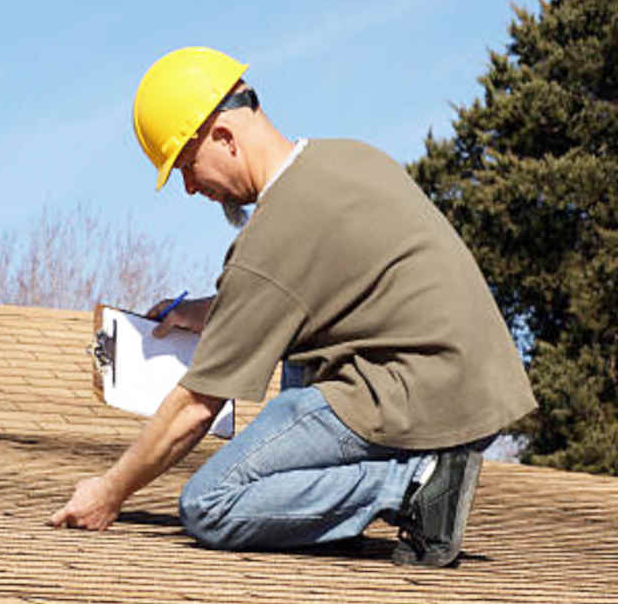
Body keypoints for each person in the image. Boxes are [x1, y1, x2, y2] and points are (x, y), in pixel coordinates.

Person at [49, 46, 536, 567]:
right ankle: (336, 517)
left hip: (416, 398)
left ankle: (414, 485)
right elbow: (312, 292)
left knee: (208, 504)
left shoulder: (274, 235)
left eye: (187, 166)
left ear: (224, 137)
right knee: (298, 353)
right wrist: (212, 310)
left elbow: (195, 406)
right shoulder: (347, 159)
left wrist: (110, 490)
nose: (191, 189)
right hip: (467, 387)